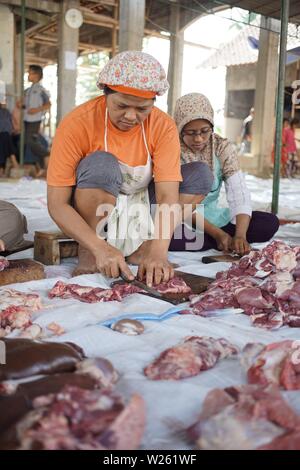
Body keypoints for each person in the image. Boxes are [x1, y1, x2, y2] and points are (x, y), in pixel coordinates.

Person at [47, 52, 213, 286]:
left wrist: (159, 250)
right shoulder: (77, 122)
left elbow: (167, 195)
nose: (131, 116)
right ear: (105, 94)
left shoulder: (162, 125)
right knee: (102, 164)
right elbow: (57, 203)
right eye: (121, 105)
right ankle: (90, 249)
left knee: (201, 175)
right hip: (93, 199)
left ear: (154, 103)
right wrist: (98, 247)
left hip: (141, 201)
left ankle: (143, 248)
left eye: (142, 109)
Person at [170, 93, 279, 255]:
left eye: (204, 131)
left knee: (268, 222)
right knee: (166, 236)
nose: (199, 139)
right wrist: (217, 233)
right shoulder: (171, 149)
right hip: (182, 218)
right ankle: (217, 240)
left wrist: (241, 236)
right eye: (191, 133)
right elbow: (175, 202)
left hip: (214, 217)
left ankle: (218, 241)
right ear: (179, 130)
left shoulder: (221, 147)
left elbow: (238, 193)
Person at [24, 64, 51, 176]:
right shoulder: (28, 90)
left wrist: (36, 110)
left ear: (36, 75)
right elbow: (26, 105)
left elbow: (48, 104)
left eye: (30, 72)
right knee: (29, 142)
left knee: (30, 141)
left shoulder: (41, 90)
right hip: (26, 120)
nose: (28, 75)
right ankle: (39, 166)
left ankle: (46, 155)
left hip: (34, 120)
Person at [0, 103, 19, 176]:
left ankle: (2, 169)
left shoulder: (6, 111)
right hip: (7, 135)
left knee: (3, 142)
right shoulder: (6, 111)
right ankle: (15, 164)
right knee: (5, 142)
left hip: (5, 135)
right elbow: (13, 124)